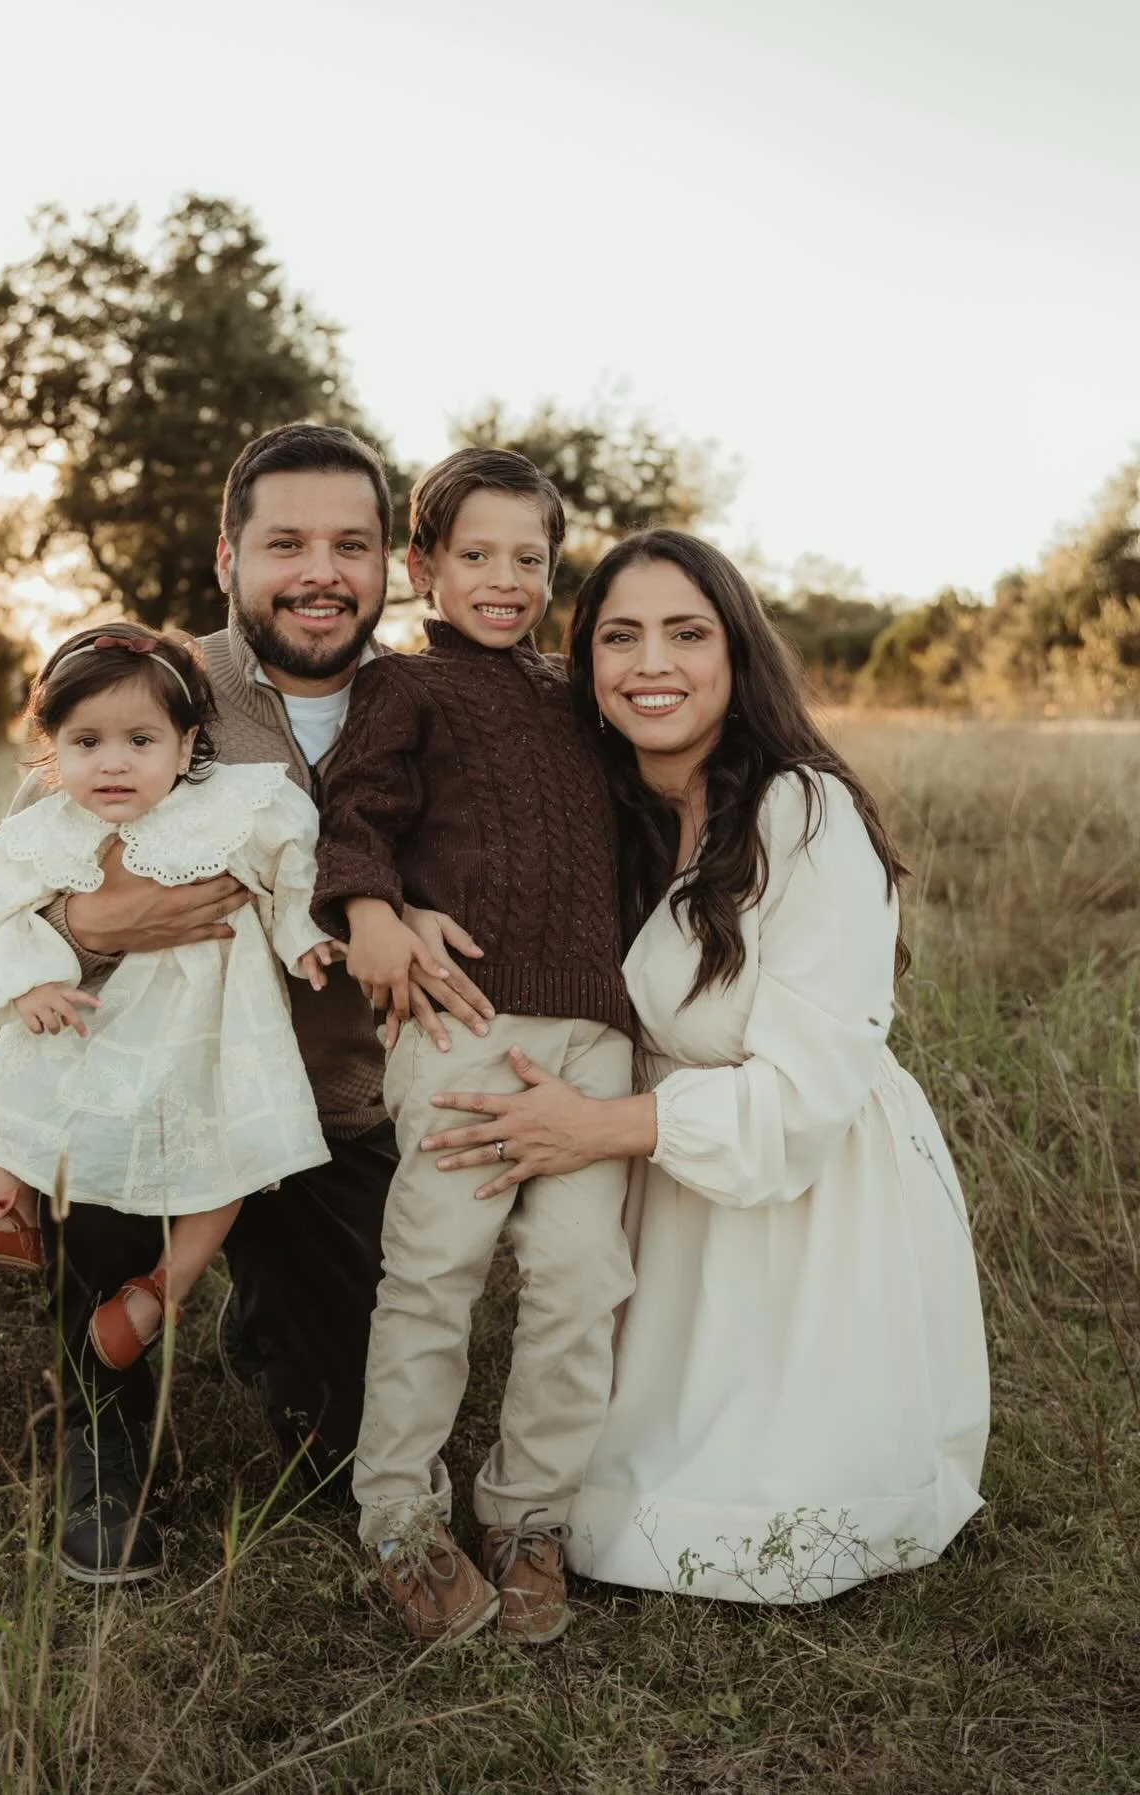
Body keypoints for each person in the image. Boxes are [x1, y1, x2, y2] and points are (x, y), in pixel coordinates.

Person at [417, 529, 990, 1604]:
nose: (652, 665)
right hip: (664, 1194)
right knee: (595, 1502)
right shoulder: (601, 807)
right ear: (584, 666)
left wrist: (598, 1128)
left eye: (687, 633)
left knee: (756, 1520)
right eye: (620, 637)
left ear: (738, 654)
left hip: (809, 1191)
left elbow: (811, 1085)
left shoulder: (802, 812)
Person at [3, 425, 493, 1585]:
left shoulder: (433, 699)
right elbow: (27, 871)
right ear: (229, 556)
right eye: (286, 543)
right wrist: (89, 928)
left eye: (351, 545)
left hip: (337, 1106)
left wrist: (412, 908)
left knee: (334, 1450)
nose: (320, 571)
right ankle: (103, 1429)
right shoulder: (160, 684)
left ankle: (259, 1314)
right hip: (159, 1078)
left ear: (392, 566)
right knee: (103, 1127)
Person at [311, 448, 636, 1646]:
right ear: (424, 565)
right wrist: (373, 910)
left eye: (531, 559)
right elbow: (355, 819)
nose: (505, 580)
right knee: (436, 1268)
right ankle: (399, 1513)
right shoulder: (405, 687)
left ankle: (529, 1513)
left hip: (594, 1040)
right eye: (478, 555)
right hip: (462, 1024)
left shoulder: (578, 689)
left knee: (581, 1278)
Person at [0, 623, 340, 1407]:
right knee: (17, 1091)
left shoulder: (236, 804)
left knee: (234, 1157)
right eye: (86, 741)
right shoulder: (41, 831)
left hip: (215, 1031)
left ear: (185, 748)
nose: (113, 761)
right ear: (53, 748)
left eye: (140, 739)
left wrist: (304, 939)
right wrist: (26, 986)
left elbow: (294, 868)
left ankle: (162, 1290)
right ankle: (7, 1210)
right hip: (97, 1021)